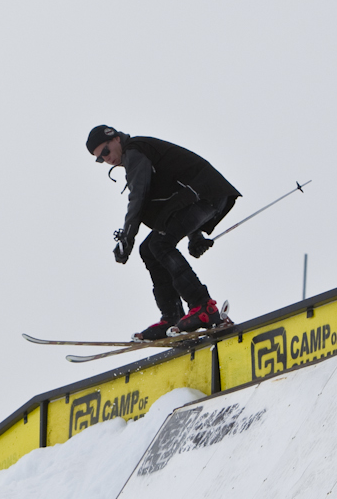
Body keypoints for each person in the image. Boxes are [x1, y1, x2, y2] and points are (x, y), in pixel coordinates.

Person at [87, 125, 241, 340]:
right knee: (149, 249)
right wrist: (195, 236)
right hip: (199, 196)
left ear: (116, 139)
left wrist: (126, 238)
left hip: (204, 194)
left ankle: (203, 306)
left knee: (159, 244)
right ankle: (172, 316)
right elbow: (174, 193)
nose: (106, 159)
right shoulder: (138, 155)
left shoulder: (135, 151)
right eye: (100, 159)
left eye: (105, 151)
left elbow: (139, 197)